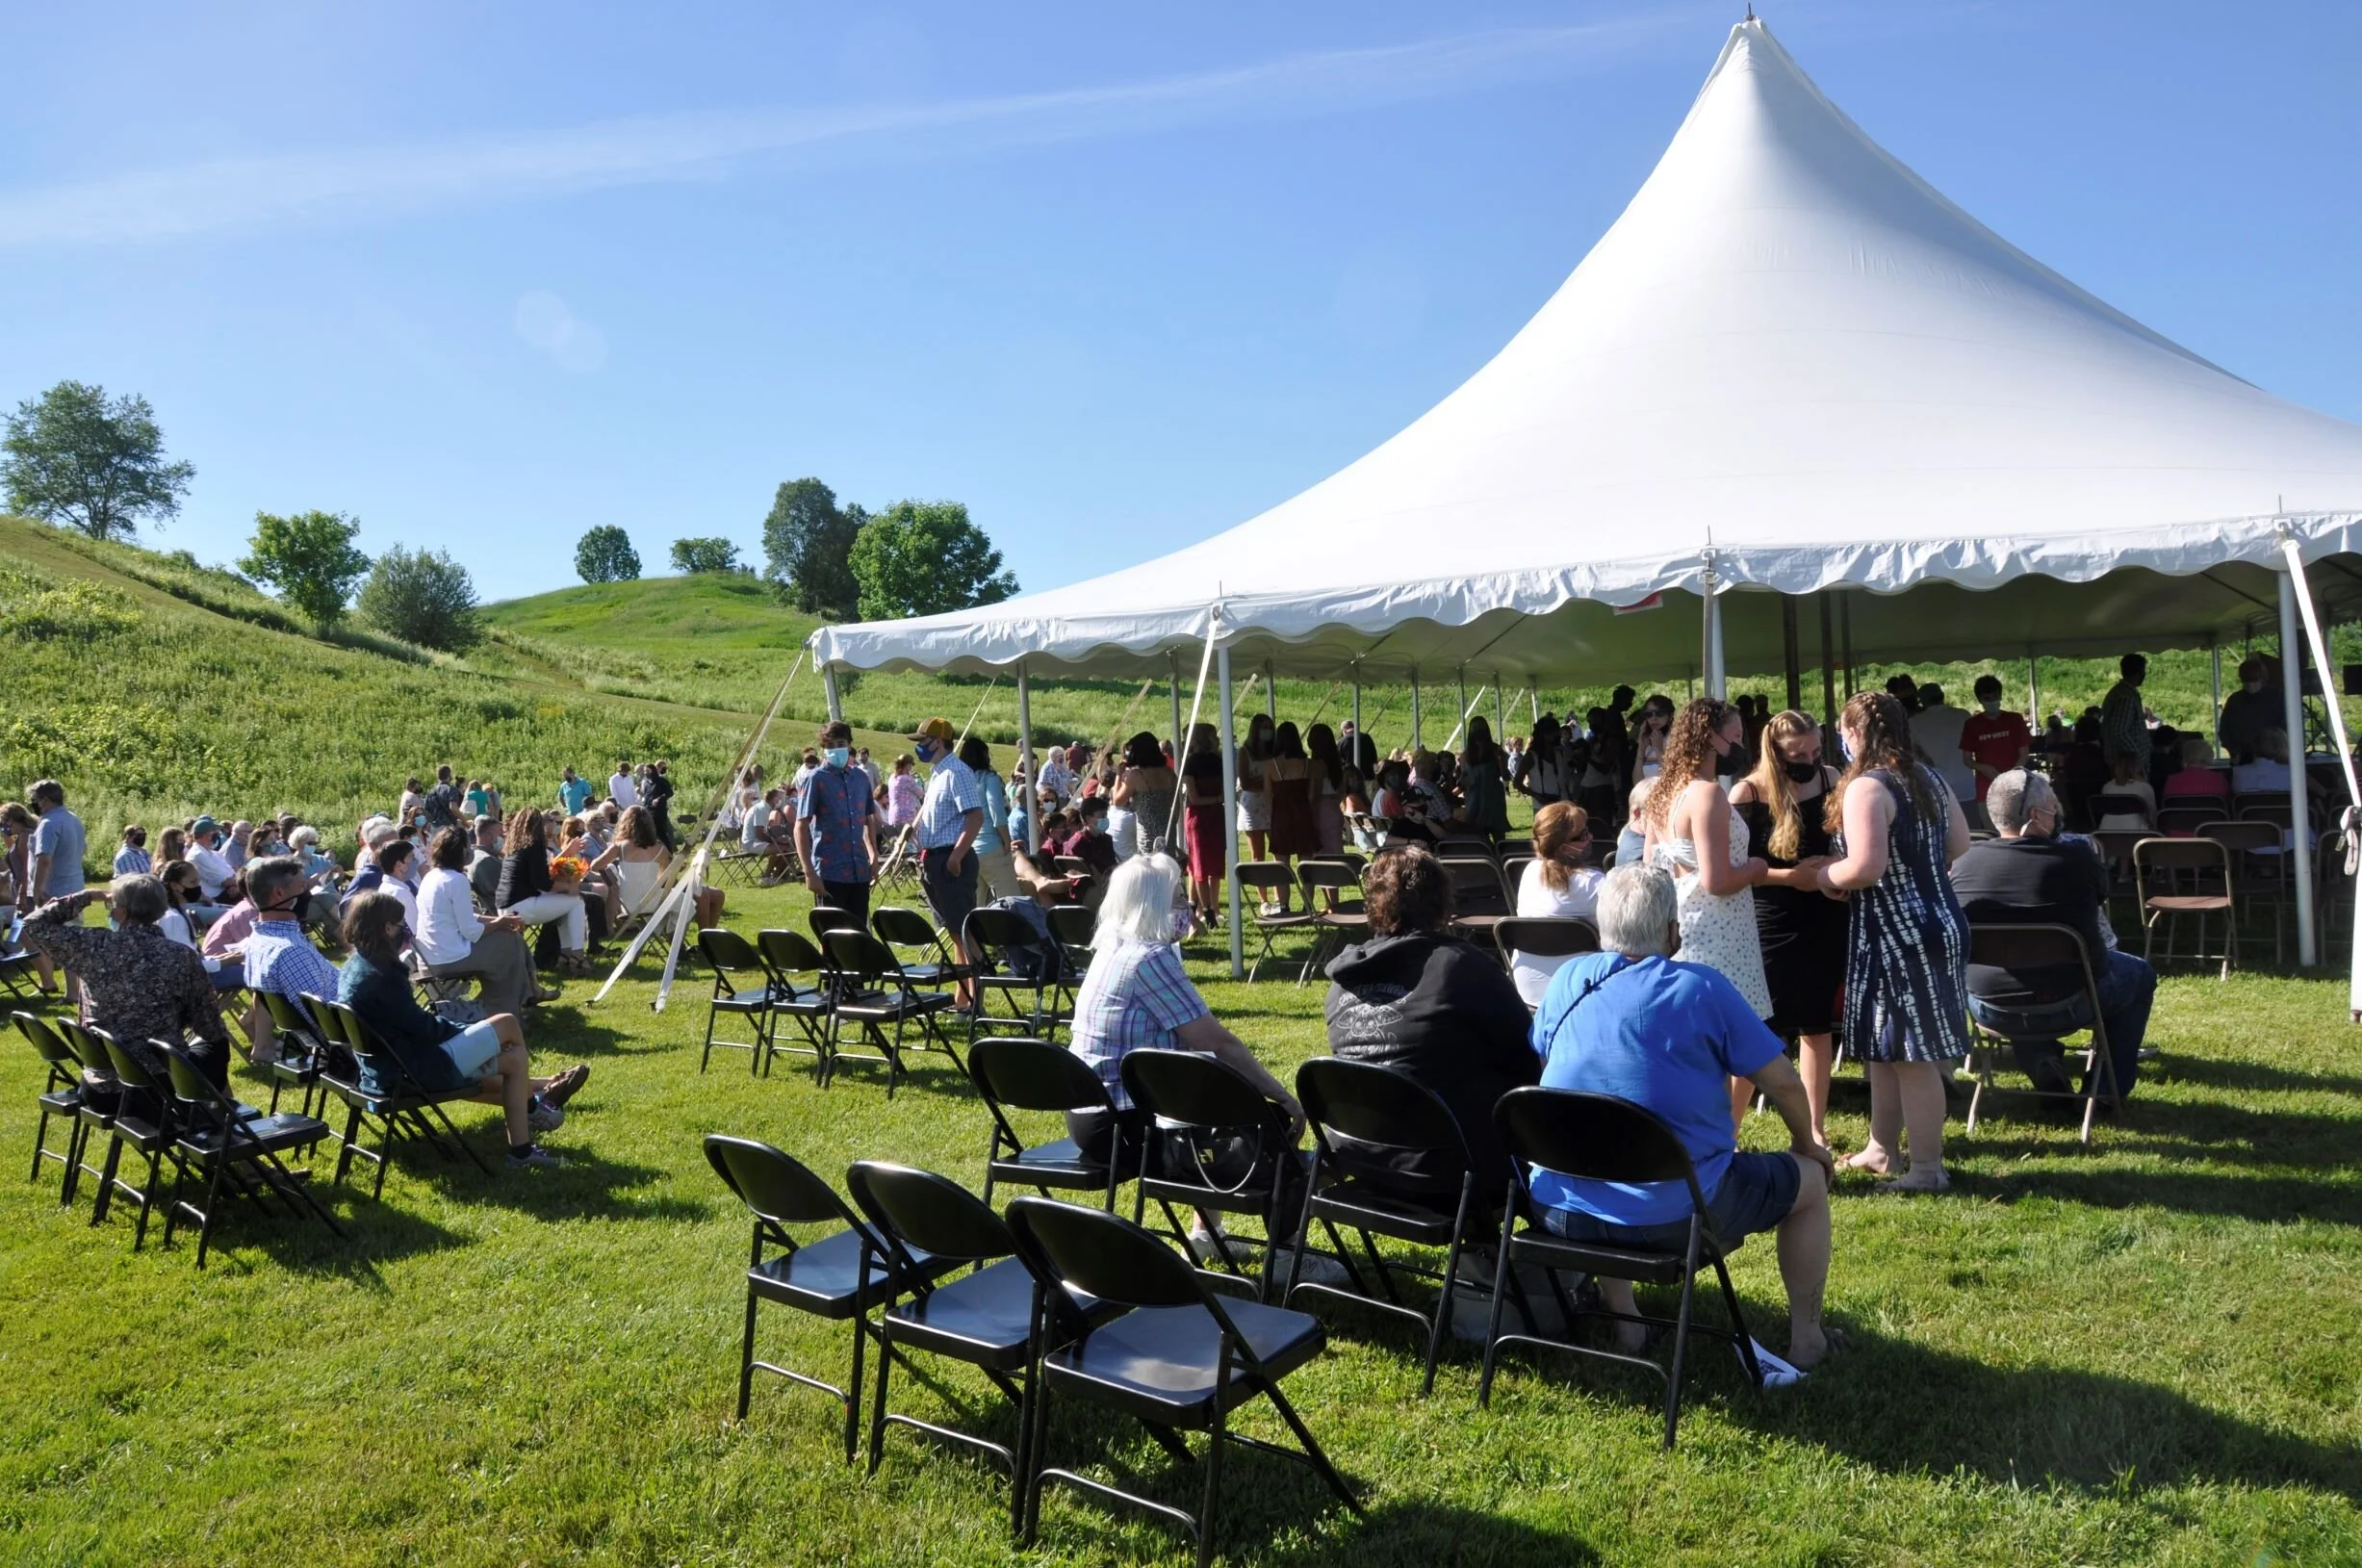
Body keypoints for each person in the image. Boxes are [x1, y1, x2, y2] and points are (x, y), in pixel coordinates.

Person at [1528, 863, 1834, 1370]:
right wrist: (1808, 1144)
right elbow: (1781, 1080)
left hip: (1560, 1209)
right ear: (1674, 929)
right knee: (1809, 1184)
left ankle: (1628, 1325)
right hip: (1673, 1217)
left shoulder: (1566, 981)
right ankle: (1808, 1341)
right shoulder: (1702, 988)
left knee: (1606, 1151)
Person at [1065, 853, 1322, 1268]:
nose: (1188, 909)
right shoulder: (1149, 958)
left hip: (1093, 1118)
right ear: (1152, 905)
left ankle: (1208, 1233)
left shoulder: (1111, 949)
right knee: (1269, 1122)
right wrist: (1282, 1096)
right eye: (1180, 900)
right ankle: (1291, 1256)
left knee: (1202, 1097)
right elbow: (1219, 1043)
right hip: (1126, 1129)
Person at [1812, 691, 1973, 1193]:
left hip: (1896, 932)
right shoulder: (1927, 777)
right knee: (1884, 1047)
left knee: (1913, 1053)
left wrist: (1824, 876)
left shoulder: (1866, 788)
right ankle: (1882, 1148)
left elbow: (1865, 867)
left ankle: (1927, 1169)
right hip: (1935, 919)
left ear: (1855, 734)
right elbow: (1960, 844)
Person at [1323, 843, 1538, 1195]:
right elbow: (1527, 1054)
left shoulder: (1342, 981)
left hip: (1361, 1159)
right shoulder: (1461, 967)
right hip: (1448, 1170)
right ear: (1442, 902)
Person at [338, 892, 586, 1171]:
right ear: (386, 928)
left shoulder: (354, 968)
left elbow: (414, 1026)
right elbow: (427, 1029)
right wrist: (475, 1033)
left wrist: (481, 1039)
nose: (405, 932)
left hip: (383, 1070)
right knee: (506, 1023)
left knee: (514, 1058)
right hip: (412, 1072)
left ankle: (524, 1147)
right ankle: (532, 1109)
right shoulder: (382, 977)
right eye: (400, 925)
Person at [1951, 770, 2154, 1106]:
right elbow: (2100, 896)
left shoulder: (1961, 863)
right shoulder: (2077, 859)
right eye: (2051, 805)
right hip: (2071, 1001)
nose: (2056, 811)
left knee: (2017, 974)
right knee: (2140, 974)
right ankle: (2104, 1091)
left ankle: (2041, 1060)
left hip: (1988, 1006)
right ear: (2035, 815)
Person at [1729, 709, 1846, 1147]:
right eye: (1798, 754)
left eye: (1815, 751)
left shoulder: (1832, 778)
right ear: (1775, 752)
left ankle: (1814, 1132)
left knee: (1817, 1025)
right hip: (1772, 915)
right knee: (1759, 1029)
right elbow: (1736, 868)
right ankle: (1729, 1133)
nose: (1810, 760)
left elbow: (1846, 841)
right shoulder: (1749, 792)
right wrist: (1794, 876)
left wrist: (1835, 869)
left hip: (1826, 911)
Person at [20, 873, 234, 1092]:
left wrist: (86, 897)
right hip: (164, 1084)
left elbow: (34, 922)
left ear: (120, 911)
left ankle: (213, 1114)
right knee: (217, 1043)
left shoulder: (91, 947)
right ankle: (220, 1114)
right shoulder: (179, 956)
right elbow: (208, 1024)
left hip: (102, 1087)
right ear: (161, 910)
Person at [1640, 700, 1773, 1022]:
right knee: (1736, 1040)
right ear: (1710, 736)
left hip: (1684, 927)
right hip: (1723, 934)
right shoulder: (1707, 794)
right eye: (1737, 735)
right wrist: (1756, 868)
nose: (1741, 745)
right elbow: (1718, 881)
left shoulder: (1663, 789)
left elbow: (1650, 865)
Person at [415, 828, 551, 1018]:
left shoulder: (432, 876)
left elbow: (464, 916)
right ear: (461, 852)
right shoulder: (456, 880)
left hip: (432, 956)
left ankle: (526, 994)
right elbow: (471, 931)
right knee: (509, 942)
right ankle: (509, 1010)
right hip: (449, 958)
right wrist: (500, 923)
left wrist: (500, 921)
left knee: (509, 935)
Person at [910, 717, 985, 1009]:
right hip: (934, 860)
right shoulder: (937, 772)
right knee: (955, 934)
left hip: (951, 860)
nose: (919, 747)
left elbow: (974, 817)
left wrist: (955, 857)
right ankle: (961, 999)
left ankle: (976, 999)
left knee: (965, 932)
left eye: (922, 741)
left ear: (938, 741)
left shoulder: (957, 772)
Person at [238, 856, 343, 1065]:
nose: (308, 893)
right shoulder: (288, 951)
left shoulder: (259, 941)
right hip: (353, 1041)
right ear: (279, 893)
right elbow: (326, 1021)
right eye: (303, 886)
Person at [1510, 802, 1605, 1007]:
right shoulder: (1593, 883)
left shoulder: (1529, 871)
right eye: (1582, 835)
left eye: (1588, 831)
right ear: (1563, 847)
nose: (1590, 838)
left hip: (1527, 987)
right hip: (1582, 990)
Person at [796, 721, 880, 920]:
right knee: (832, 937)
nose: (836, 749)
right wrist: (809, 872)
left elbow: (868, 819)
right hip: (829, 871)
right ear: (823, 749)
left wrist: (873, 854)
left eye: (840, 743)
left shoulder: (860, 778)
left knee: (859, 934)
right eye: (830, 745)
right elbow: (800, 826)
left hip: (858, 870)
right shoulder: (816, 779)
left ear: (850, 744)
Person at [497, 810, 592, 974]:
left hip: (506, 906)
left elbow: (540, 875)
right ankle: (577, 955)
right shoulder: (535, 846)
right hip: (522, 908)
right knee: (577, 901)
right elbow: (543, 883)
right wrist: (569, 887)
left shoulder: (514, 848)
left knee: (565, 904)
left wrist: (566, 854)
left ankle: (565, 955)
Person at [1958, 675, 2032, 821]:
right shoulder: (1972, 724)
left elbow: (2024, 753)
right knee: (1992, 831)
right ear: (1980, 700)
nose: (1992, 701)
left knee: (2019, 829)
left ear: (2000, 695)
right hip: (1986, 789)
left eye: (1995, 697)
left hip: (2016, 785)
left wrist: (2012, 776)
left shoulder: (2015, 719)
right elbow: (1966, 759)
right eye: (1987, 698)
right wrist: (1981, 767)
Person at [1264, 722, 1317, 908]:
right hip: (1303, 814)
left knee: (1281, 865)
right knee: (1307, 863)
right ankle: (1308, 904)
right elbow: (1310, 795)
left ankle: (1284, 905)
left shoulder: (1271, 765)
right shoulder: (1306, 764)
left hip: (1281, 816)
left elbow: (1268, 796)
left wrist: (1273, 818)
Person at [961, 735, 1018, 901]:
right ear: (984, 755)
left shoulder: (961, 781)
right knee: (1011, 901)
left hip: (968, 849)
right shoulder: (989, 778)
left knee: (975, 906)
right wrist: (1007, 840)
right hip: (991, 846)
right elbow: (997, 812)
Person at [1181, 722, 1227, 925]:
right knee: (1207, 864)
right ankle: (1208, 908)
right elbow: (1197, 796)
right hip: (1210, 814)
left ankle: (1207, 908)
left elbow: (1194, 796)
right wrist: (1218, 799)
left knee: (1201, 863)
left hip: (1202, 815)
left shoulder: (1194, 762)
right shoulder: (1217, 760)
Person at [1909, 683, 1976, 809]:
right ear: (1942, 696)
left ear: (1922, 701)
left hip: (1934, 788)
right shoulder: (1963, 715)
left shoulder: (1914, 722)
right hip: (1964, 786)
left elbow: (1913, 755)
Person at [24, 780, 87, 911]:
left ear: (45, 800)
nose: (34, 804)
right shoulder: (74, 819)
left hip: (53, 894)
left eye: (35, 799)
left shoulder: (48, 823)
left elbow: (43, 860)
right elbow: (82, 849)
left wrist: (36, 892)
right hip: (76, 889)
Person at [2217, 656, 2280, 764]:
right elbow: (2224, 729)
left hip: (2272, 756)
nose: (2250, 685)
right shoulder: (2235, 700)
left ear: (2262, 679)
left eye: (2254, 681)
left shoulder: (2276, 698)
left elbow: (2283, 726)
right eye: (2246, 681)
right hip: (2242, 755)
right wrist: (2234, 751)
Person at [1458, 716, 1512, 840]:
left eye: (1480, 727)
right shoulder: (1466, 754)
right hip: (1474, 799)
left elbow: (1505, 776)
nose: (1478, 731)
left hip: (1493, 799)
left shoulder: (1495, 750)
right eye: (1475, 728)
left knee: (1499, 836)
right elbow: (1463, 780)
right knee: (1477, 837)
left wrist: (1500, 760)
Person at [1235, 711, 1276, 864]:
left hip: (1272, 804)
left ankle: (1277, 887)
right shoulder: (1245, 752)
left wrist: (1262, 782)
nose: (1268, 731)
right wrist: (1267, 783)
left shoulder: (1274, 751)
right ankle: (1262, 887)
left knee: (1277, 851)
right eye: (1264, 727)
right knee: (1258, 855)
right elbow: (1245, 783)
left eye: (1269, 727)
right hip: (1253, 807)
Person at [2100, 654, 2150, 773]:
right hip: (2128, 766)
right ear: (2140, 672)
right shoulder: (2126, 697)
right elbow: (2119, 731)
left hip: (2124, 762)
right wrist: (2136, 756)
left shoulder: (2119, 691)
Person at [1304, 723, 1348, 857]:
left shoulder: (1316, 765)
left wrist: (1308, 816)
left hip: (1320, 811)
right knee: (1335, 849)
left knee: (1321, 852)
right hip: (1335, 809)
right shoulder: (1337, 763)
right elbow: (1342, 789)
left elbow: (1314, 794)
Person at [2162, 734, 2233, 810]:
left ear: (2184, 755)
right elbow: (2228, 805)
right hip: (2212, 820)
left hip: (2180, 820)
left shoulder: (2172, 780)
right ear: (2209, 756)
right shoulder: (2218, 779)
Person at [186, 814, 236, 904]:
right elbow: (225, 881)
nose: (218, 834)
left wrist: (234, 884)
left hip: (227, 892)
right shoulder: (198, 855)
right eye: (215, 832)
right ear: (207, 835)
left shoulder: (213, 853)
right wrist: (237, 884)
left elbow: (232, 873)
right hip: (214, 900)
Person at [643, 759, 677, 850]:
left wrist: (659, 799)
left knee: (661, 833)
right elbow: (646, 797)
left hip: (659, 812)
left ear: (653, 771)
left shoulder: (662, 781)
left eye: (648, 771)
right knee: (649, 834)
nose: (646, 773)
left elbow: (670, 793)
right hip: (648, 811)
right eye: (645, 771)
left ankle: (669, 853)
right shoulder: (646, 783)